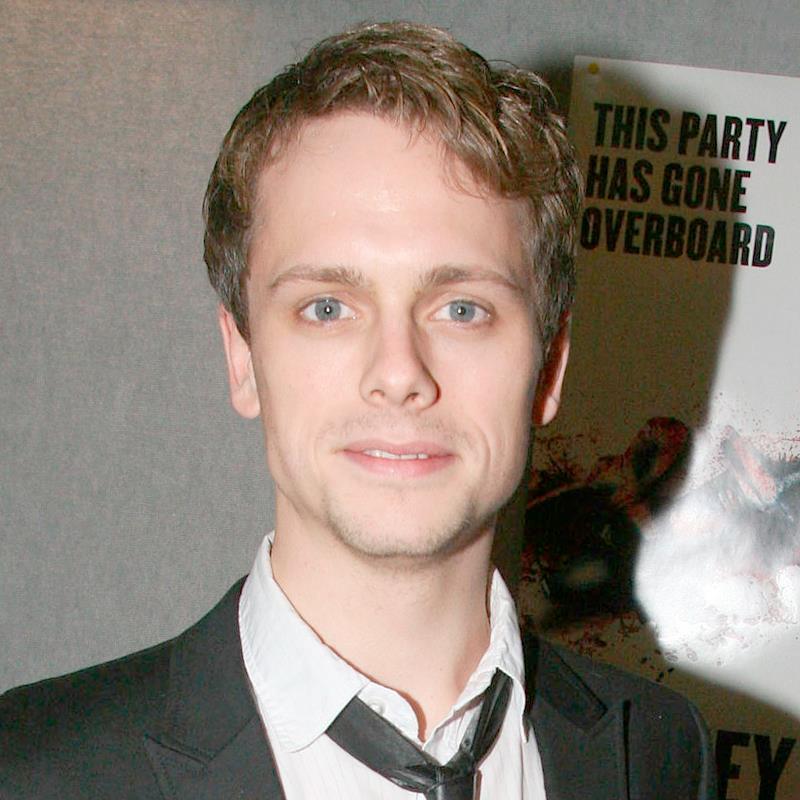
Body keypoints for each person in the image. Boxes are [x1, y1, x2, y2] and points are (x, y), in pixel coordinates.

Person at [0, 21, 715, 799]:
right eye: (328, 308)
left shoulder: (658, 753)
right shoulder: (33, 771)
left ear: (548, 368)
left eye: (463, 309)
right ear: (242, 358)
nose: (398, 374)